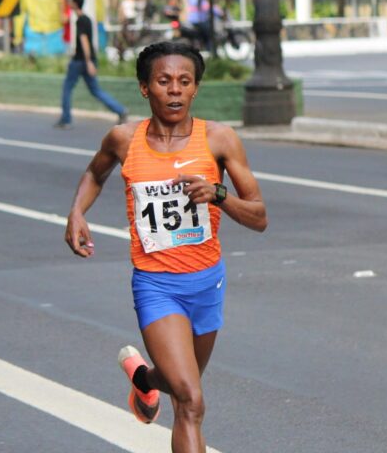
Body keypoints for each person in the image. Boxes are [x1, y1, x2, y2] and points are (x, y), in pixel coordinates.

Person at [64, 41, 267, 452]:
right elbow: (95, 173)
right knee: (191, 400)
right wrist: (77, 212)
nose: (174, 90)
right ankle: (153, 383)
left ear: (195, 89)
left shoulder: (219, 140)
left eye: (184, 81)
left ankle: (143, 380)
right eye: (163, 81)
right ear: (144, 88)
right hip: (157, 285)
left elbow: (259, 217)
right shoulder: (123, 140)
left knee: (180, 389)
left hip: (207, 283)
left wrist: (219, 195)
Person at [55, 0, 129, 129]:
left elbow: (84, 41)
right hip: (86, 60)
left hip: (80, 62)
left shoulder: (80, 20)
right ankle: (120, 110)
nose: (69, 3)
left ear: (75, 4)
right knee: (95, 90)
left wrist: (88, 62)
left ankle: (65, 120)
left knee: (67, 88)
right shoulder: (87, 19)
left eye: (71, 1)